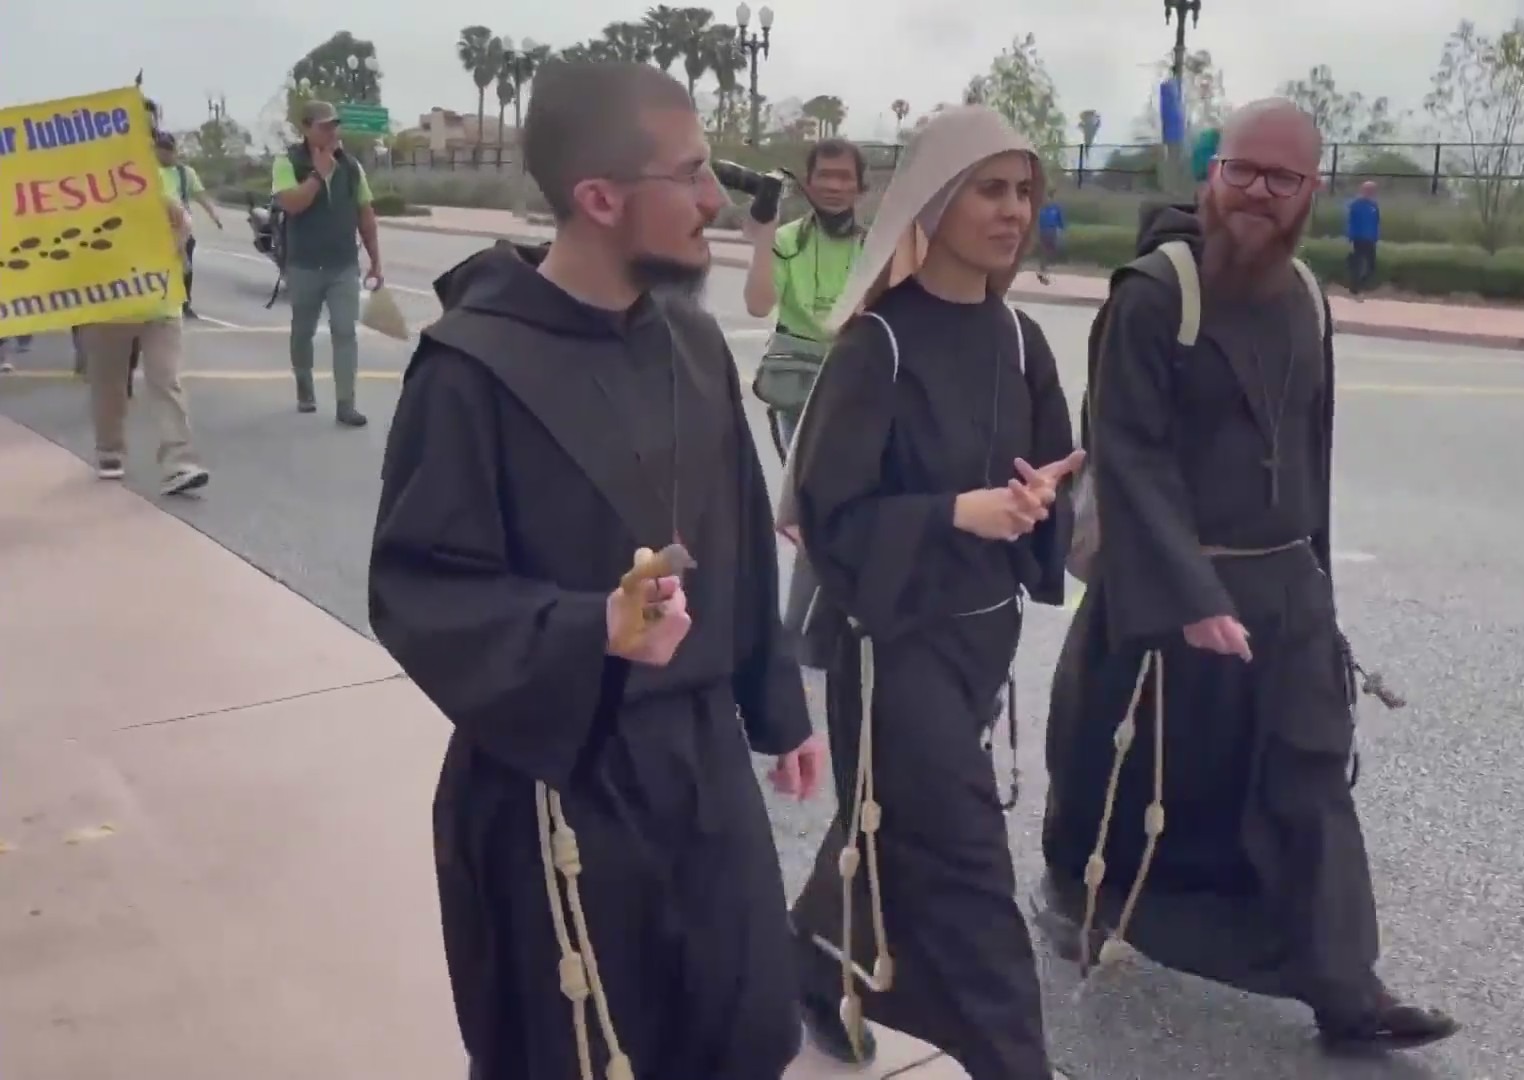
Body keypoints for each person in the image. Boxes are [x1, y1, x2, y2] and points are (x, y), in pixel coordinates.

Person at [367, 61, 825, 1080]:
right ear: (601, 198)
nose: (717, 200)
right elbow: (421, 586)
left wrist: (776, 703)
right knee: (589, 1050)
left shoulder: (694, 343)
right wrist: (592, 629)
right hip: (560, 786)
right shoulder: (472, 368)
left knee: (740, 1031)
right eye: (694, 174)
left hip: (703, 768)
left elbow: (741, 529)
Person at [1037, 100, 1459, 1054]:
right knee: (1123, 764)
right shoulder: (1153, 293)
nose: (1258, 195)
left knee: (1311, 777)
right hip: (1168, 588)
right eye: (1242, 172)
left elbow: (1311, 461)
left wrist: (1318, 596)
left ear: (1313, 192)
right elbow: (1128, 455)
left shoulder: (1309, 297)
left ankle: (1348, 990)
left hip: (1283, 591)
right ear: (1209, 174)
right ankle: (1075, 889)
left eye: (1283, 180)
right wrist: (1189, 596)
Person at [779, 104, 1081, 1079]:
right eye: (990, 189)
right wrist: (955, 512)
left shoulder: (1024, 342)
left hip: (978, 647)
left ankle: (807, 959)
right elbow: (831, 521)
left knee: (885, 823)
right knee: (970, 873)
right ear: (938, 201)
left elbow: (1044, 486)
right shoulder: (879, 347)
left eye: (1024, 190)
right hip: (893, 650)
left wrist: (1038, 502)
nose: (1012, 210)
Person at [741, 137, 867, 457]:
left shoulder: (874, 247)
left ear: (859, 187)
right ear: (808, 184)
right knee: (795, 489)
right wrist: (764, 233)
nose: (834, 186)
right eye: (824, 175)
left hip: (854, 386)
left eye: (844, 177)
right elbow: (758, 306)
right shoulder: (785, 240)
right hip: (796, 386)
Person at [78, 198, 209, 494]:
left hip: (160, 307)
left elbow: (183, 227)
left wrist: (174, 239)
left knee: (166, 380)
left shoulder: (154, 190)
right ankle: (109, 450)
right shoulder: (85, 197)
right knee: (108, 383)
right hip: (107, 306)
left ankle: (179, 461)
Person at [270, 100, 384, 427]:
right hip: (304, 265)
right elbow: (291, 204)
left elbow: (365, 214)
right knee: (302, 331)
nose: (331, 131)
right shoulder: (287, 162)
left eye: (334, 125)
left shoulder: (351, 167)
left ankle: (346, 403)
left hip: (343, 265)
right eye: (323, 126)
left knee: (345, 331)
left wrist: (376, 261)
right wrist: (318, 177)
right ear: (306, 129)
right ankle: (304, 386)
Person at [154, 131, 224, 320]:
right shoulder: (148, 171)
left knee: (186, 266)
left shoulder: (186, 173)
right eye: (161, 149)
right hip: (157, 227)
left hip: (181, 226)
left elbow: (200, 194)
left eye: (169, 150)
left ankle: (185, 303)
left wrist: (214, 214)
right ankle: (161, 302)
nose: (165, 154)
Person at [1346, 180, 1381, 297]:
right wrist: (1350, 239)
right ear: (1363, 190)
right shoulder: (1356, 204)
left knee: (1371, 266)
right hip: (1358, 238)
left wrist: (1376, 237)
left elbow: (1376, 222)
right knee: (1358, 265)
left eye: (1373, 190)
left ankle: (1358, 286)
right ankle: (1356, 290)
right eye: (1369, 189)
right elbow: (1351, 222)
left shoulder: (1374, 205)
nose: (1371, 192)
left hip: (1370, 239)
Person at [1033, 195, 1065, 283]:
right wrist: (1036, 232)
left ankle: (1048, 263)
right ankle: (1043, 266)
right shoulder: (1041, 210)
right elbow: (1037, 222)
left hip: (1052, 230)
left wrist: (1061, 229)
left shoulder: (1055, 209)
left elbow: (1060, 221)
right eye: (1046, 199)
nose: (1047, 201)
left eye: (1049, 199)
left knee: (1052, 248)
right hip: (1043, 231)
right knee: (1044, 249)